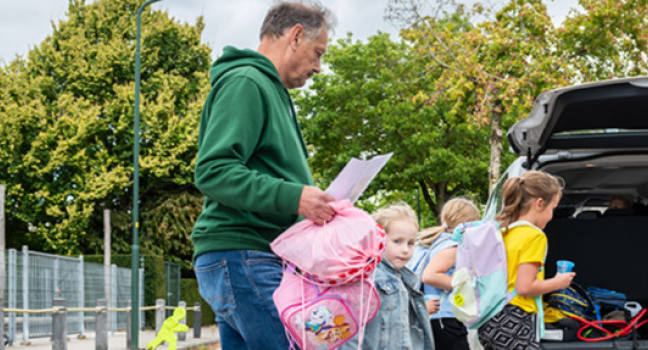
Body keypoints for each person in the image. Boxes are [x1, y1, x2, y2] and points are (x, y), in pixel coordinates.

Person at [189, 2, 335, 349]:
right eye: (317, 53)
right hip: (244, 254)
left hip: (244, 257)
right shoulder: (247, 82)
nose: (319, 67)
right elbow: (214, 170)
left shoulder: (271, 90)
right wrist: (296, 198)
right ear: (296, 36)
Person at [479, 171, 575, 350]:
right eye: (552, 209)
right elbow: (524, 287)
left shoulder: (503, 231)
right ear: (539, 204)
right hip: (515, 319)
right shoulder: (534, 236)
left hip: (490, 318)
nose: (551, 216)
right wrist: (557, 283)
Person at [344, 204, 434, 349]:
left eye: (410, 243)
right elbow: (351, 329)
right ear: (377, 239)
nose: (405, 250)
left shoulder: (404, 280)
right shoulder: (369, 279)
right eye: (397, 241)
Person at [411, 198, 481, 350]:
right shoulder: (452, 246)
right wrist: (462, 286)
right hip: (444, 318)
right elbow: (429, 275)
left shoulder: (438, 242)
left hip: (437, 318)